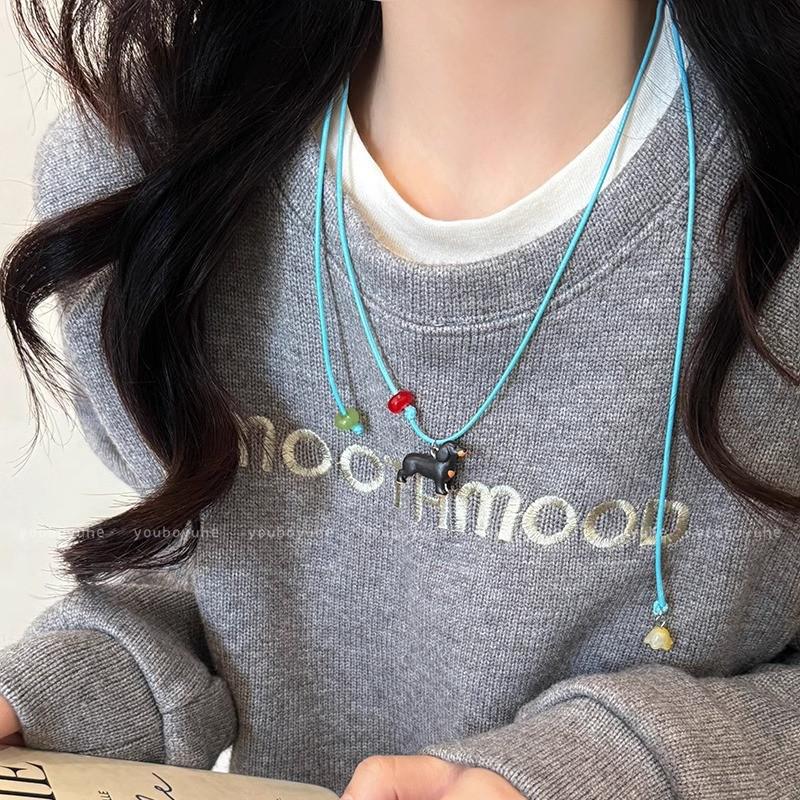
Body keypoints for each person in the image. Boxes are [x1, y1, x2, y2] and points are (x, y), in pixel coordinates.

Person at [1, 0, 799, 797]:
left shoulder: (773, 222)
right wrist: (81, 686)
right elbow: (230, 570)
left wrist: (606, 771)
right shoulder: (151, 175)